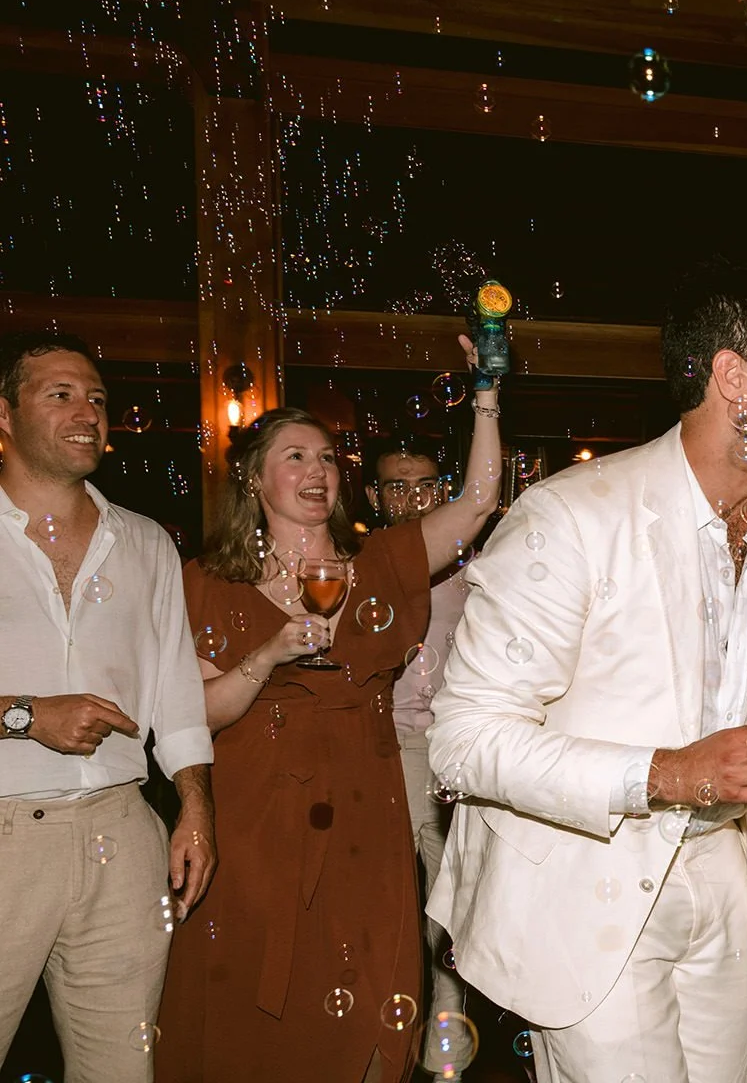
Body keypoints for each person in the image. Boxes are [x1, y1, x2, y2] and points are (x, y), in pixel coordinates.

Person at [426, 265, 747, 1083]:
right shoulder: (571, 517)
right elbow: (462, 741)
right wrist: (668, 773)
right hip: (583, 880)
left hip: (723, 879)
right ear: (735, 377)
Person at [159, 335, 503, 1083]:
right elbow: (200, 713)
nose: (317, 471)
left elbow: (477, 501)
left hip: (364, 811)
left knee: (374, 977)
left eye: (326, 458)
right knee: (253, 994)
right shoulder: (207, 581)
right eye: (295, 457)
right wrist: (268, 655)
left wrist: (485, 391)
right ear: (254, 478)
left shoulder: (378, 562)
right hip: (257, 817)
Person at [0, 331, 216, 1081]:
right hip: (4, 833)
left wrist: (194, 806)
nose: (87, 411)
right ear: (4, 415)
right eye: (59, 394)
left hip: (123, 836)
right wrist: (25, 714)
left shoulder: (146, 541)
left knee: (122, 1071)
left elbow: (176, 690)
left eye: (96, 398)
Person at [365, 436, 472, 1050]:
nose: (412, 500)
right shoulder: (358, 563)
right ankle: (383, 1046)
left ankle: (445, 1048)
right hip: (380, 748)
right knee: (384, 903)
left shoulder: (473, 563)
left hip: (451, 750)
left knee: (449, 906)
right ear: (376, 497)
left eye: (425, 486)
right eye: (397, 487)